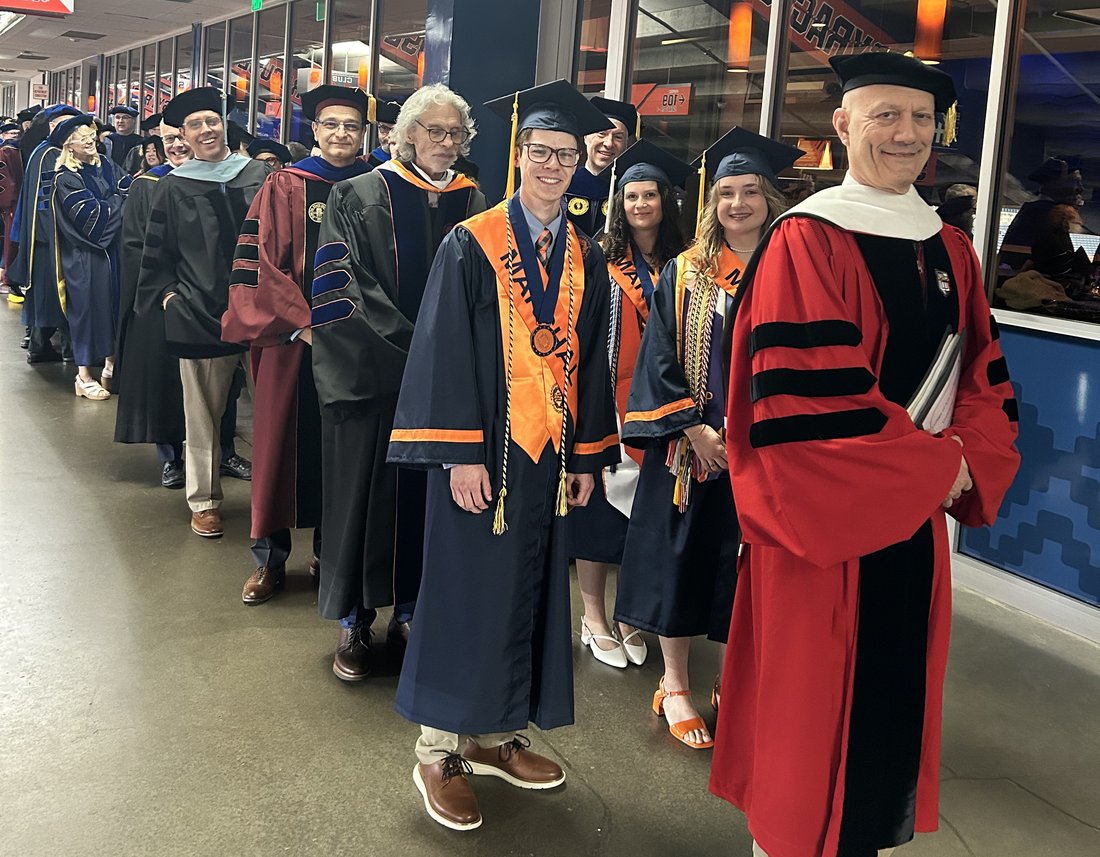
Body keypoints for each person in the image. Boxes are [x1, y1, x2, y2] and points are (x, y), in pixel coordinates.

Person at [710, 52, 1021, 857]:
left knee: (888, 708)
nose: (907, 134)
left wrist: (967, 462)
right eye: (886, 115)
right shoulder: (805, 240)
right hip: (823, 530)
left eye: (921, 119)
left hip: (909, 524)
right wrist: (938, 468)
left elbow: (985, 373)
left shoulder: (951, 246)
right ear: (843, 125)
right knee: (810, 718)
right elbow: (805, 399)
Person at [385, 79, 619, 832]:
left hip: (548, 463)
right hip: (486, 457)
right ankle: (436, 751)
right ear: (520, 156)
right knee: (462, 592)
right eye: (542, 151)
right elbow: (444, 348)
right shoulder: (473, 241)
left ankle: (492, 734)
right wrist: (459, 453)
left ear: (582, 163)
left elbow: (590, 364)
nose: (554, 165)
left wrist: (585, 459)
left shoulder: (584, 253)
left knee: (525, 591)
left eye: (567, 155)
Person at [616, 128, 803, 749]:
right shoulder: (686, 272)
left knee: (747, 568)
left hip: (764, 452)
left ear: (771, 200)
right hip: (689, 453)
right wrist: (693, 429)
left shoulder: (794, 270)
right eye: (727, 192)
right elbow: (659, 357)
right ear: (710, 203)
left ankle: (735, 683)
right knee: (682, 561)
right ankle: (674, 684)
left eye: (752, 191)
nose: (739, 204)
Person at [311, 83, 487, 680]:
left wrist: (455, 363)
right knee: (362, 499)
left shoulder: (475, 201)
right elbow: (343, 290)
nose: (446, 143)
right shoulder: (357, 194)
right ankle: (354, 622)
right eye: (435, 131)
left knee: (428, 502)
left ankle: (413, 612)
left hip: (444, 389)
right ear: (407, 133)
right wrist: (419, 351)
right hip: (373, 379)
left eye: (455, 134)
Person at [222, 85, 374, 605]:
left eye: (351, 126)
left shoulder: (375, 186)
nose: (341, 134)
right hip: (294, 342)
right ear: (314, 129)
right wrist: (306, 325)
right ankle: (270, 561)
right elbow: (261, 264)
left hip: (356, 348)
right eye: (331, 124)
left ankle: (333, 556)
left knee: (343, 453)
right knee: (278, 446)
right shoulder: (285, 186)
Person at [567, 139, 690, 670]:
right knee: (597, 514)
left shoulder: (686, 261)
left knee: (647, 518)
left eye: (649, 195)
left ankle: (631, 615)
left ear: (665, 200)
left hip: (664, 405)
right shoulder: (599, 256)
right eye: (631, 196)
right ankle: (593, 615)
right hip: (607, 400)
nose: (639, 205)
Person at [135, 87, 270, 539]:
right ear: (184, 136)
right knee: (202, 415)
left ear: (224, 125)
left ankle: (271, 499)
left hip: (261, 314)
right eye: (195, 125)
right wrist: (172, 297)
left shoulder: (259, 175)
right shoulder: (174, 185)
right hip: (199, 312)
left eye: (212, 121)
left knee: (272, 411)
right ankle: (204, 500)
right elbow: (157, 252)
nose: (206, 130)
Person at [114, 119, 192, 488]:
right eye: (169, 140)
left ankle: (223, 451)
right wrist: (164, 289)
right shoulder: (147, 184)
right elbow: (134, 245)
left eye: (182, 138)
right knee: (164, 379)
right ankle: (171, 457)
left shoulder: (215, 177)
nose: (177, 146)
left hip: (206, 298)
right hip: (161, 297)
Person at [50, 115, 126, 400]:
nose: (90, 140)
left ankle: (110, 365)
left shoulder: (106, 165)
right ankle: (83, 376)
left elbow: (132, 187)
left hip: (113, 253)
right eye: (82, 137)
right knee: (87, 311)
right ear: (69, 145)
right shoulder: (66, 178)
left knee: (114, 305)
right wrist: (117, 200)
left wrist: (113, 202)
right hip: (85, 257)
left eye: (91, 134)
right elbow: (92, 219)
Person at [8, 105, 83, 361]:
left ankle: (40, 346)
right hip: (52, 237)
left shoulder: (42, 151)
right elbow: (50, 202)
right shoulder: (52, 154)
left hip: (43, 237)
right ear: (53, 127)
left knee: (45, 294)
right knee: (60, 293)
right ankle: (66, 349)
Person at [563, 96, 636, 236]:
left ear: (627, 144)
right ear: (585, 137)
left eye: (618, 137)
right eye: (602, 133)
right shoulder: (564, 183)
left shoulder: (629, 190)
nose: (609, 143)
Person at [0, 122, 24, 296]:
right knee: (10, 241)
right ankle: (9, 276)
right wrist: (9, 204)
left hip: (16, 203)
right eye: (11, 132)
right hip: (13, 205)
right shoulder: (7, 152)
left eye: (17, 132)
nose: (14, 136)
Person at [365, 99, 400, 167]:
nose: (390, 135)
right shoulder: (365, 162)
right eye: (384, 128)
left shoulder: (416, 163)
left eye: (396, 130)